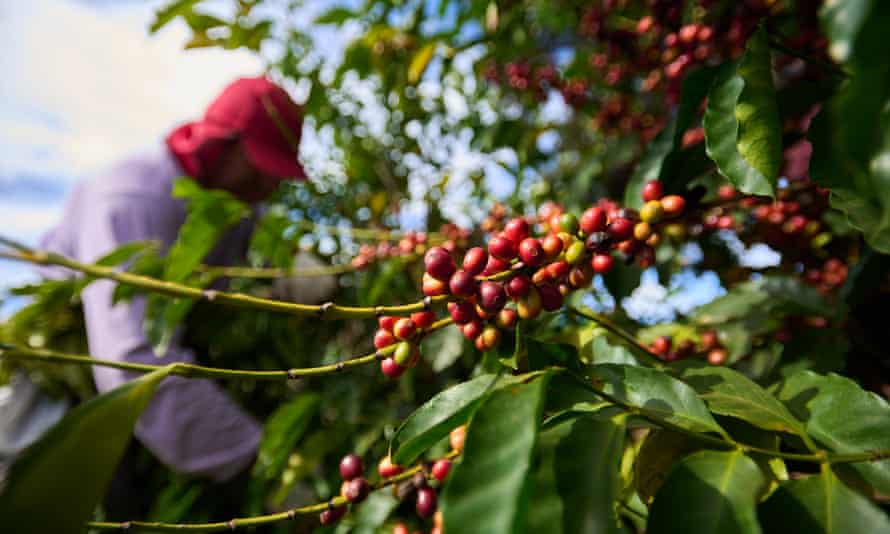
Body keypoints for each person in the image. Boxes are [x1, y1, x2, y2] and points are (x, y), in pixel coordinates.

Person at [33, 76, 307, 485]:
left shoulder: (226, 195)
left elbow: (255, 232)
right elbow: (133, 365)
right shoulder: (131, 204)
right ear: (221, 143)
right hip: (61, 400)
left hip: (151, 406)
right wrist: (257, 462)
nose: (271, 185)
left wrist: (296, 266)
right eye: (262, 165)